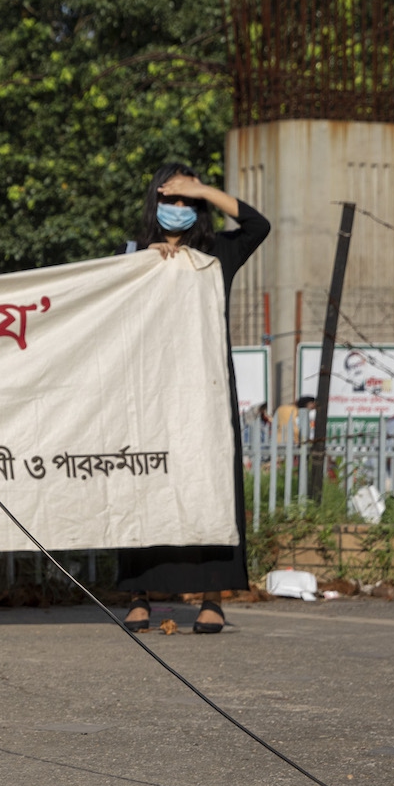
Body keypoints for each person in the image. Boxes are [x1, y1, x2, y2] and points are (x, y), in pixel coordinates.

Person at [117, 165, 270, 635]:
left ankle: (212, 599)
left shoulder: (218, 254)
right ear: (154, 202)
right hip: (148, 390)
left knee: (213, 487)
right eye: (171, 198)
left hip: (206, 390)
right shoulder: (129, 255)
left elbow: (259, 226)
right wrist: (144, 260)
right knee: (145, 482)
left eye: (188, 201)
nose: (178, 209)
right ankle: (139, 595)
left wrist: (203, 188)